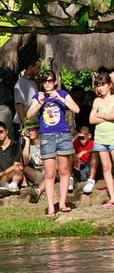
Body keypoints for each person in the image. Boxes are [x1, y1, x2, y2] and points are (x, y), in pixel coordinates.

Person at [26, 70, 80, 215]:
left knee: (64, 170)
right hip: (47, 136)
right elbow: (29, 115)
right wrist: (40, 103)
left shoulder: (62, 93)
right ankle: (51, 207)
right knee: (49, 173)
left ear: (55, 82)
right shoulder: (39, 96)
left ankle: (62, 203)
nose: (48, 84)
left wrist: (60, 99)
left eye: (50, 81)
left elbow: (76, 109)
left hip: (63, 134)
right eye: (45, 81)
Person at [88, 68, 114, 207]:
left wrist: (100, 115)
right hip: (101, 139)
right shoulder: (97, 101)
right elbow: (91, 120)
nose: (100, 87)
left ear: (109, 85)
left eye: (103, 84)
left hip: (113, 137)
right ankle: (112, 198)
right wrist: (107, 117)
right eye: (98, 85)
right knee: (106, 168)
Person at [14, 57, 41, 127]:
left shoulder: (32, 82)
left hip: (33, 122)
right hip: (25, 124)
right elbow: (20, 106)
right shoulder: (21, 83)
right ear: (31, 68)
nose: (39, 70)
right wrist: (25, 126)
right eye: (38, 67)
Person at [73, 125, 98, 193]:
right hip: (80, 167)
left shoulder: (93, 142)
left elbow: (98, 148)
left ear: (89, 136)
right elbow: (68, 147)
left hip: (89, 167)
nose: (81, 140)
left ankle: (91, 180)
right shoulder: (77, 142)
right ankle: (73, 179)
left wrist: (84, 152)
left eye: (83, 138)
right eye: (80, 138)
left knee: (95, 153)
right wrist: (75, 138)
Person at [20, 123, 44, 191]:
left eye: (32, 130)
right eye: (28, 131)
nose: (30, 133)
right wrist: (27, 141)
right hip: (36, 174)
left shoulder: (46, 143)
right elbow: (25, 161)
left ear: (38, 130)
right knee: (24, 168)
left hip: (48, 171)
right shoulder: (29, 146)